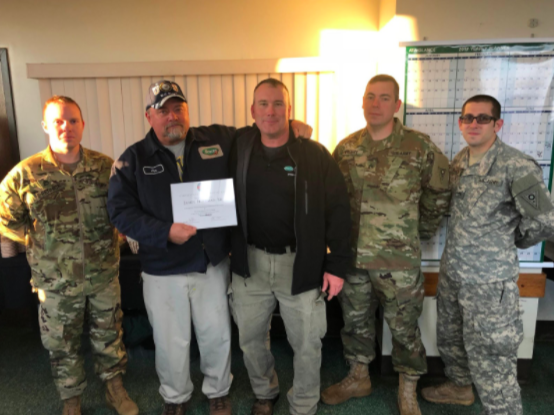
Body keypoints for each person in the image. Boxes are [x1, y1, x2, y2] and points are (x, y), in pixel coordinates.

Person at [107, 80, 311, 415]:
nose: (172, 116)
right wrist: (164, 231)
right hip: (162, 267)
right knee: (170, 341)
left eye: (178, 108)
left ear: (187, 111)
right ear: (149, 116)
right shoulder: (132, 160)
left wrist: (292, 124)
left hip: (211, 262)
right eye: (163, 111)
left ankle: (218, 391)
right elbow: (120, 212)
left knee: (216, 333)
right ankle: (175, 397)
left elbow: (260, 128)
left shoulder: (216, 139)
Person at [0, 96, 138, 415]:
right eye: (58, 121)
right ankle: (71, 400)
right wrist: (41, 244)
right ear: (46, 126)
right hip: (55, 280)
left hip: (102, 274)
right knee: (62, 342)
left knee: (109, 333)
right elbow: (6, 219)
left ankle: (114, 389)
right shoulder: (26, 173)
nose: (67, 127)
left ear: (82, 125)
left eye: (73, 120)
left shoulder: (105, 168)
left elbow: (124, 211)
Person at [322, 74, 451, 415]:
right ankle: (358, 377)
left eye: (383, 98)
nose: (375, 104)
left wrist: (420, 230)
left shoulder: (419, 146)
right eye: (370, 97)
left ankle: (408, 389)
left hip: (398, 260)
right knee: (355, 322)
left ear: (396, 105)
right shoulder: (346, 148)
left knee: (404, 328)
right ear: (362, 102)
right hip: (354, 259)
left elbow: (440, 191)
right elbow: (333, 201)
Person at [421, 95, 554, 415]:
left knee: (493, 358)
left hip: (489, 283)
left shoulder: (517, 165)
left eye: (483, 118)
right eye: (468, 118)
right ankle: (459, 387)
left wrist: (510, 241)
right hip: (454, 273)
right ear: (460, 123)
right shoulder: (459, 161)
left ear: (498, 124)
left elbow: (545, 220)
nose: (474, 124)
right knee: (451, 339)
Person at [228, 78, 352, 415]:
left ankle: (304, 404)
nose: (270, 111)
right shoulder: (239, 148)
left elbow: (338, 210)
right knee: (250, 339)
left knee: (308, 342)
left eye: (278, 104)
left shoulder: (313, 154)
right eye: (263, 104)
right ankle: (264, 392)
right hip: (249, 264)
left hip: (301, 263)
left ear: (289, 110)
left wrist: (336, 265)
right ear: (252, 111)